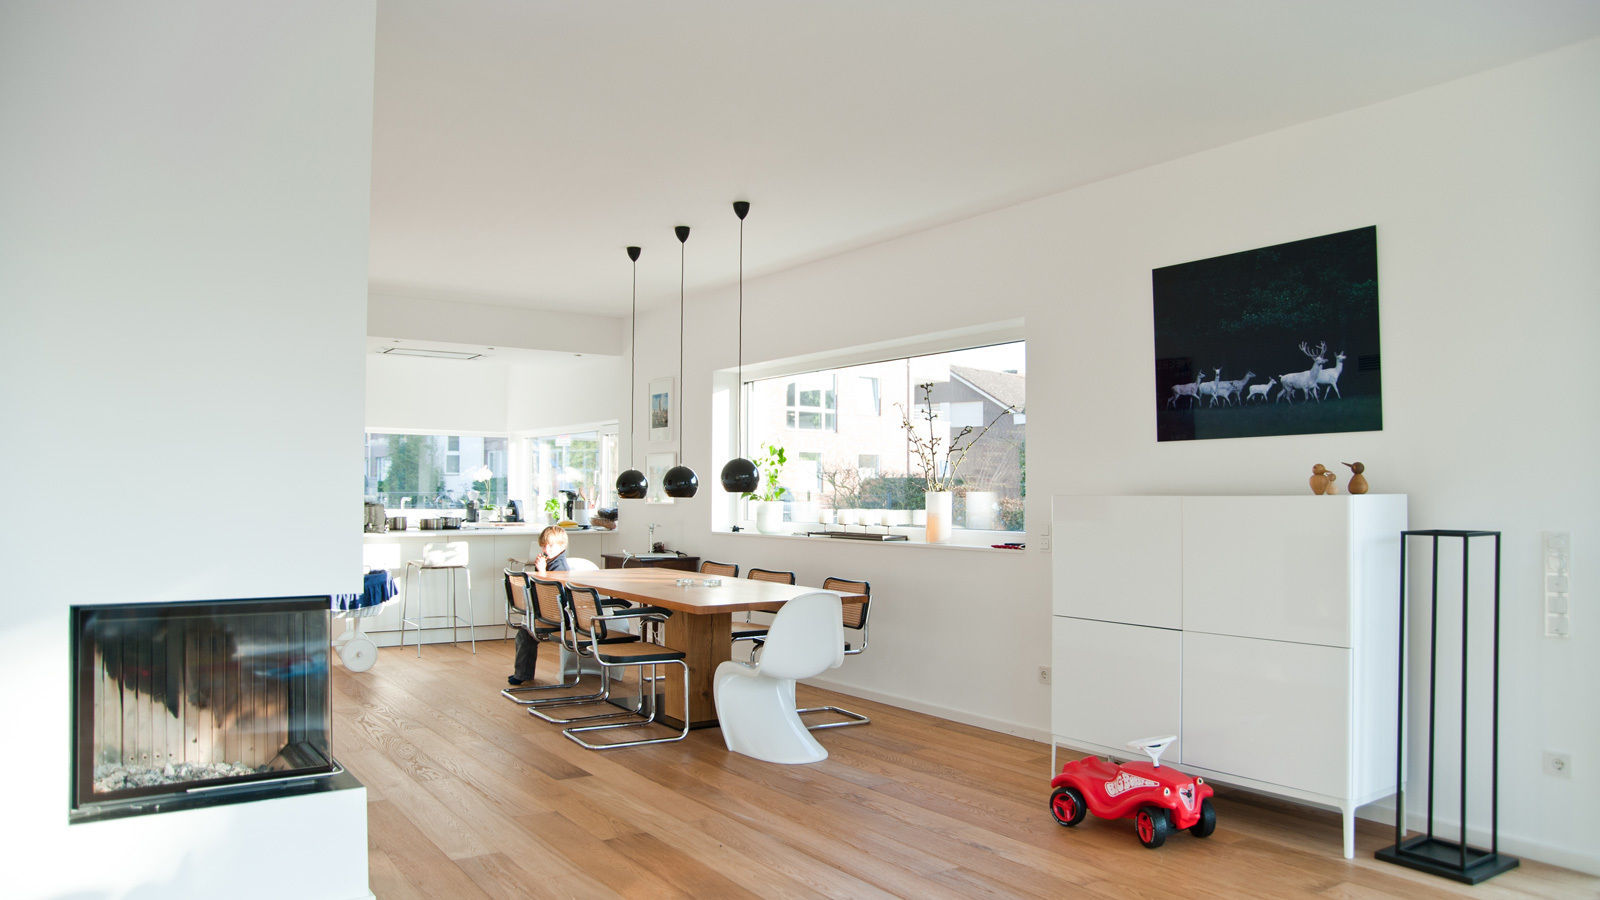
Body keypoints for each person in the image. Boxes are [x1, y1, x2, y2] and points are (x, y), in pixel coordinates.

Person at [508, 525, 570, 686]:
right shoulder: (551, 562)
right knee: (525, 632)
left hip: (559, 615)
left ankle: (522, 674)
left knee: (526, 633)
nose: (545, 549)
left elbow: (551, 592)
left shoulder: (559, 567)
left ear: (562, 546)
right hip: (552, 613)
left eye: (550, 545)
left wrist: (541, 573)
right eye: (543, 545)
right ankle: (522, 674)